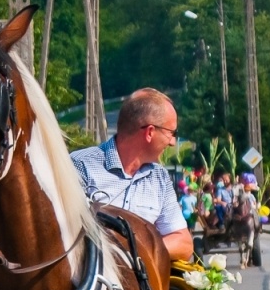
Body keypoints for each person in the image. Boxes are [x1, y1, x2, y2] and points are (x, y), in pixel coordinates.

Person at [71, 87, 194, 261]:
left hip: (143, 286)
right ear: (150, 132)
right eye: (171, 133)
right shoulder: (80, 165)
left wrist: (134, 251)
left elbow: (184, 244)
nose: (173, 142)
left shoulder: (159, 177)